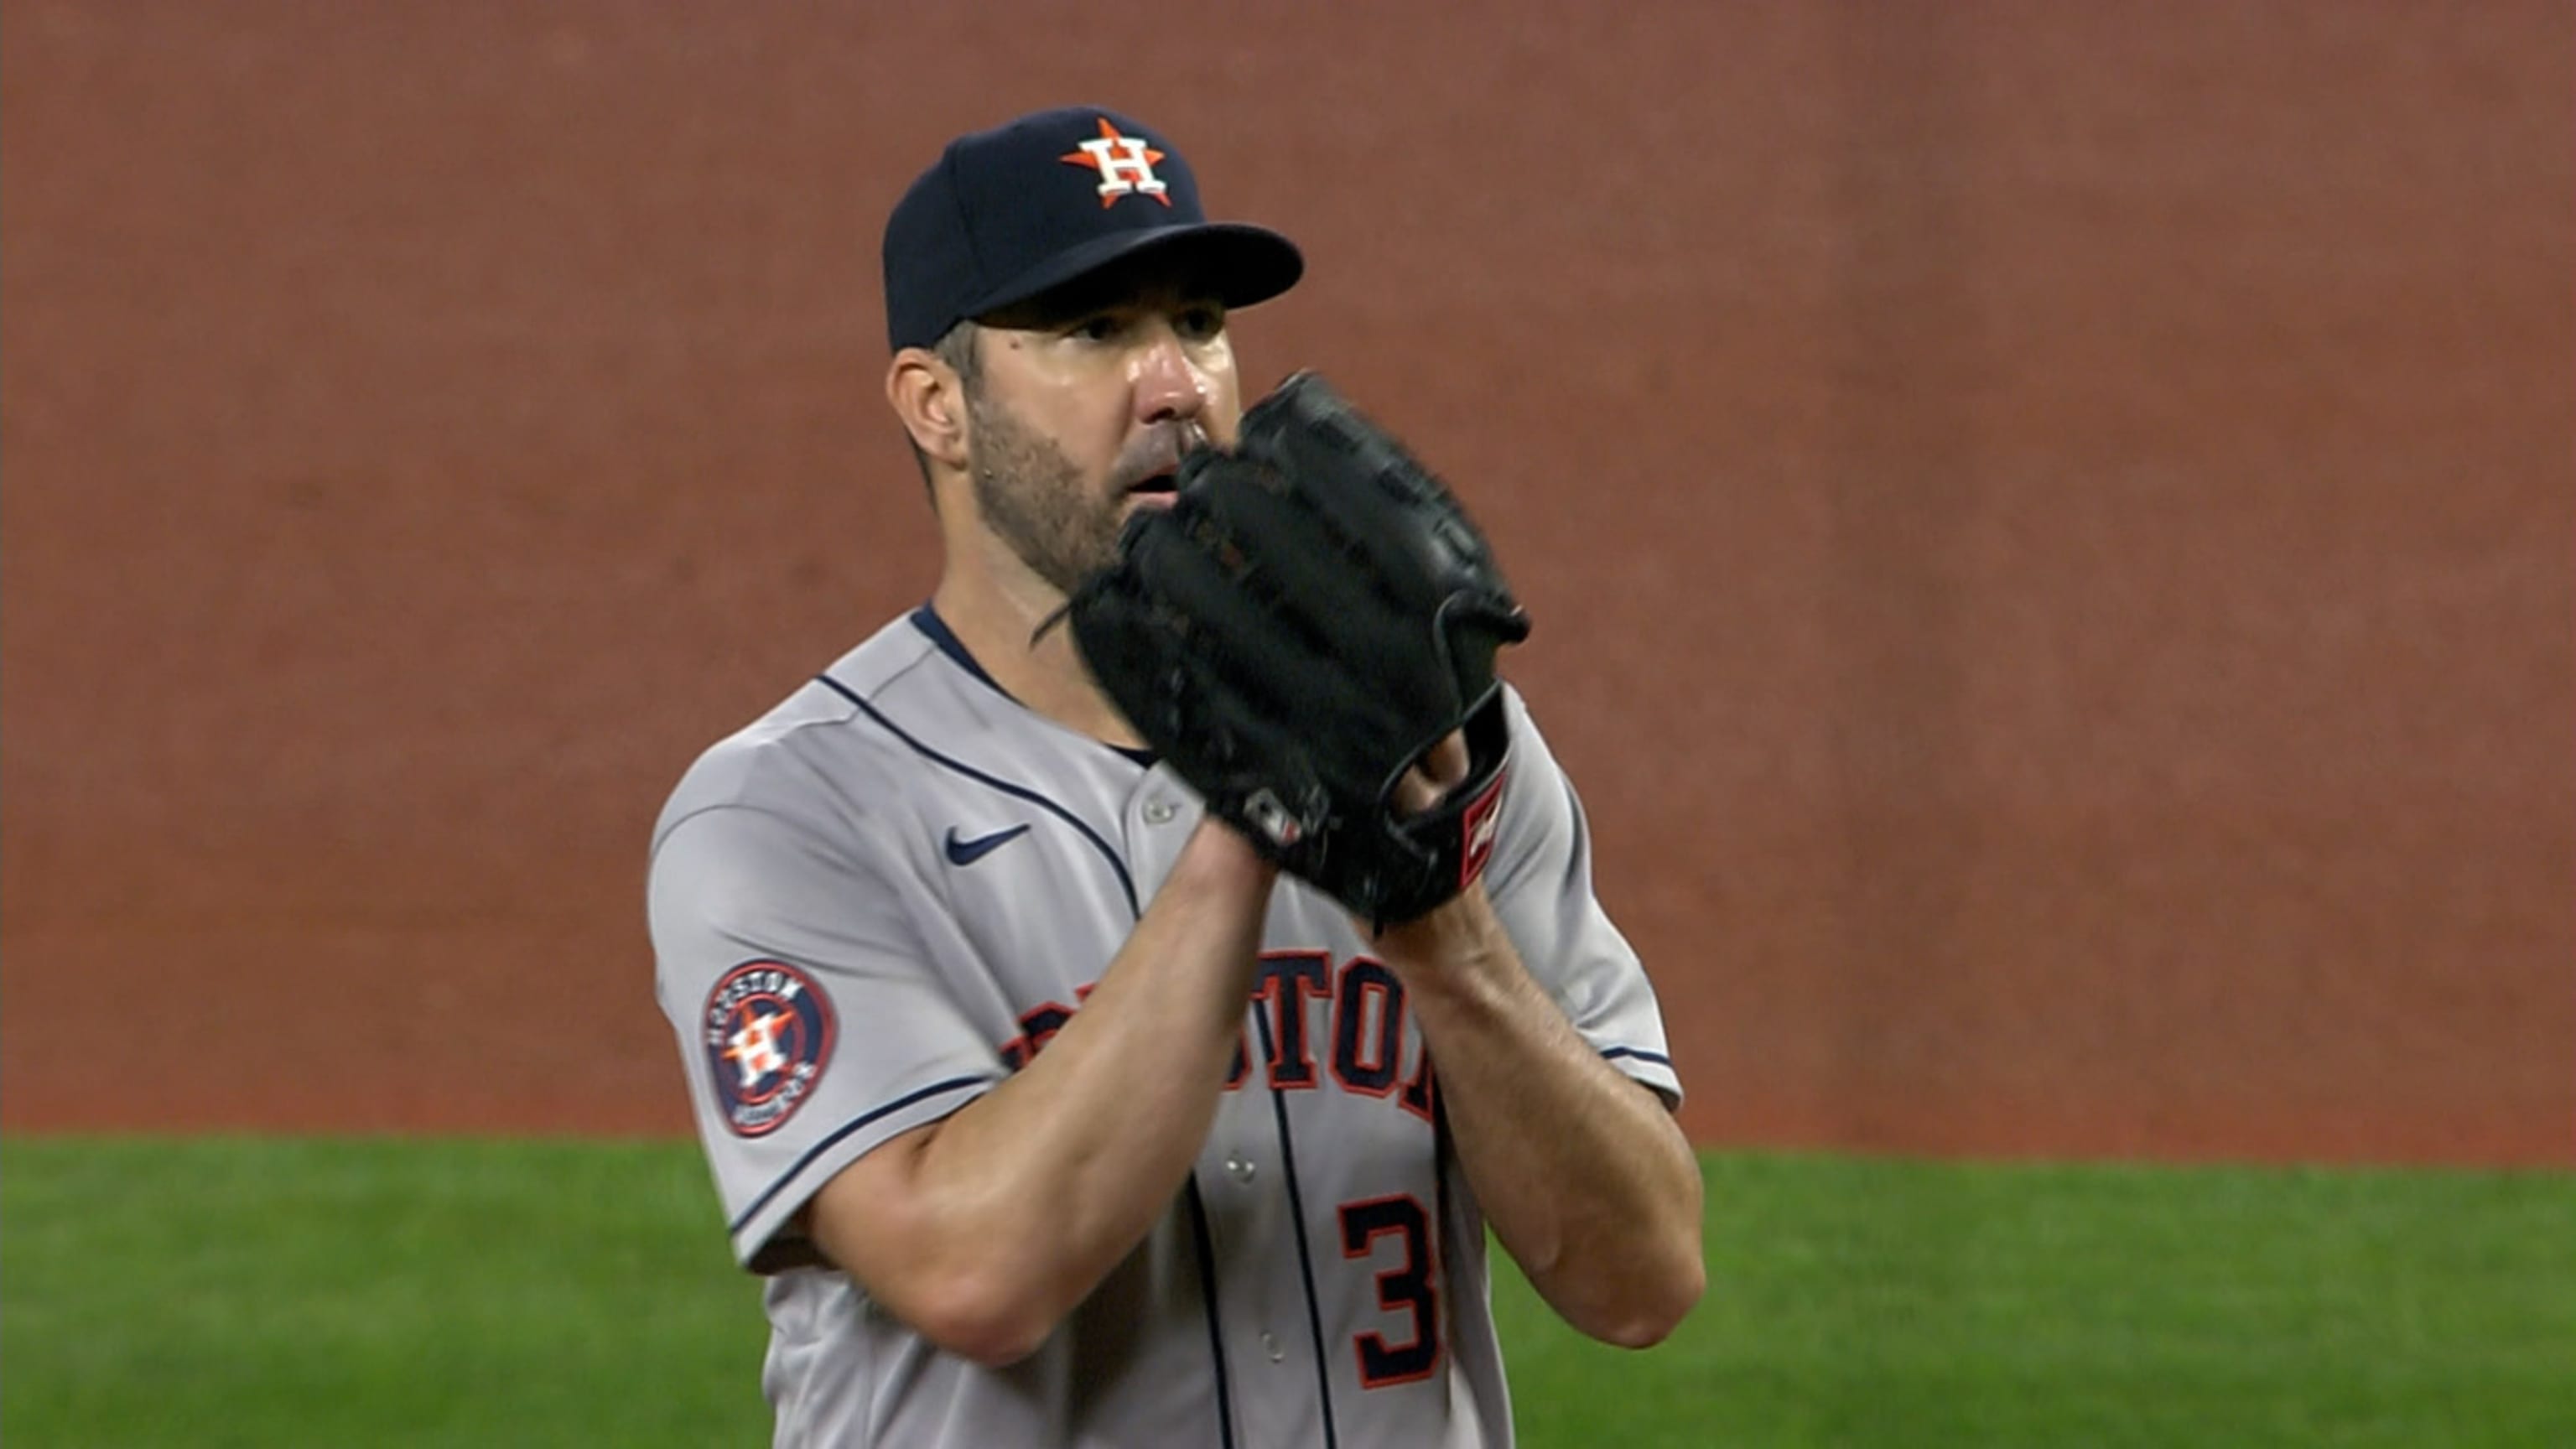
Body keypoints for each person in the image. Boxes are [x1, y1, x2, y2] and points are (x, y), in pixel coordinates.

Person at [648, 104, 1705, 1449]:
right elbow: (973, 1272)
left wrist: (1441, 935)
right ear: (938, 405)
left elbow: (1642, 1279)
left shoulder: (1434, 742)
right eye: (1094, 333)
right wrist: (1244, 832)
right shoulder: (793, 815)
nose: (1175, 385)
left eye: (1198, 322)